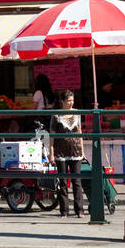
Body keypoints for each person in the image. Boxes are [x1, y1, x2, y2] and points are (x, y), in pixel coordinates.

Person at [49, 89, 87, 217]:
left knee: (77, 181)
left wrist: (82, 150)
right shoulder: (56, 115)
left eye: (72, 100)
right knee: (63, 182)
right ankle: (64, 211)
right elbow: (52, 136)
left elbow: (80, 132)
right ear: (62, 102)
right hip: (60, 152)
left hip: (76, 150)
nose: (71, 103)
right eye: (68, 101)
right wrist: (51, 153)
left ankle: (79, 210)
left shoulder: (77, 113)